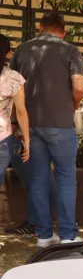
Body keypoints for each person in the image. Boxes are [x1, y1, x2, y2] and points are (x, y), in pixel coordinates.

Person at [10, 12, 83, 247]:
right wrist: (71, 106)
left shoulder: (22, 51)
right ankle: (67, 234)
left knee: (38, 178)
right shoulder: (70, 50)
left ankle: (43, 235)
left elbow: (13, 87)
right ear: (62, 32)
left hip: (30, 125)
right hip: (61, 125)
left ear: (40, 28)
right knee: (65, 177)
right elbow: (79, 87)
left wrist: (15, 123)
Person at [0, 34, 29, 189]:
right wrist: (26, 141)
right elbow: (21, 111)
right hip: (2, 140)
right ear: (8, 53)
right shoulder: (14, 78)